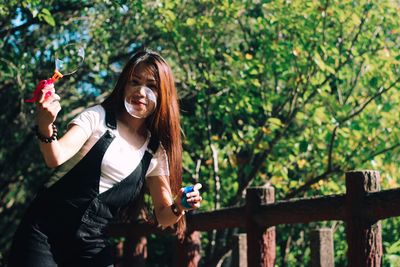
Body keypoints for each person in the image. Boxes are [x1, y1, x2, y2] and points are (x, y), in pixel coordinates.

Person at [8, 49, 202, 267]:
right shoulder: (97, 117)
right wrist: (45, 124)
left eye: (152, 86)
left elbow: (165, 215)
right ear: (124, 86)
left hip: (90, 247)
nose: (141, 91)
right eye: (134, 82)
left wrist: (180, 204)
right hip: (42, 232)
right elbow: (55, 157)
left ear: (163, 94)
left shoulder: (154, 151)